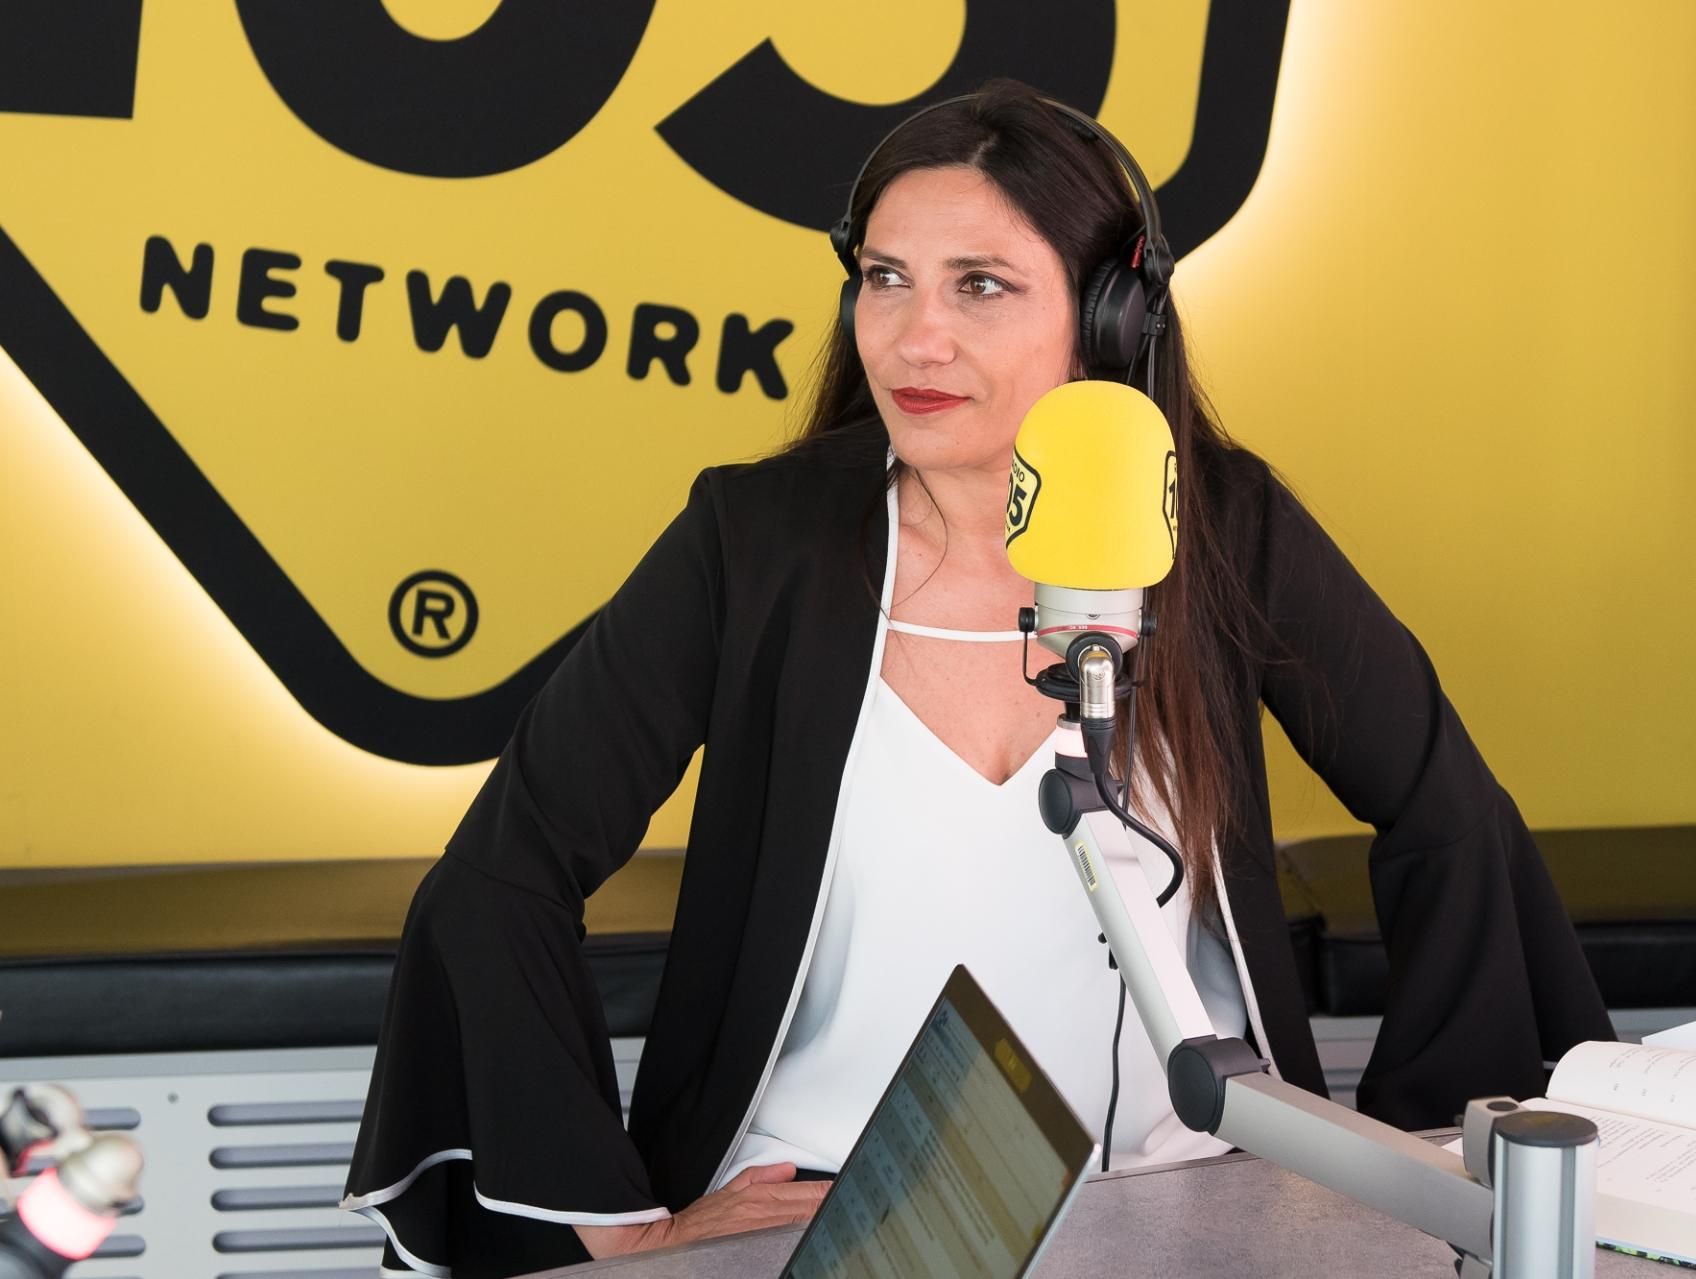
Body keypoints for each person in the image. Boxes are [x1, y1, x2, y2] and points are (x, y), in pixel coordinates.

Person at [342, 80, 1613, 1278]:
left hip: (1180, 1202)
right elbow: (499, 875)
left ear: (1110, 318)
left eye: (982, 285)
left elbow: (1453, 816)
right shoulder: (756, 542)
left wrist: (1416, 1161)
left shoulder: (1222, 528)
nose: (917, 335)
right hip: (822, 1211)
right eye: (885, 277)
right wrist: (617, 1222)